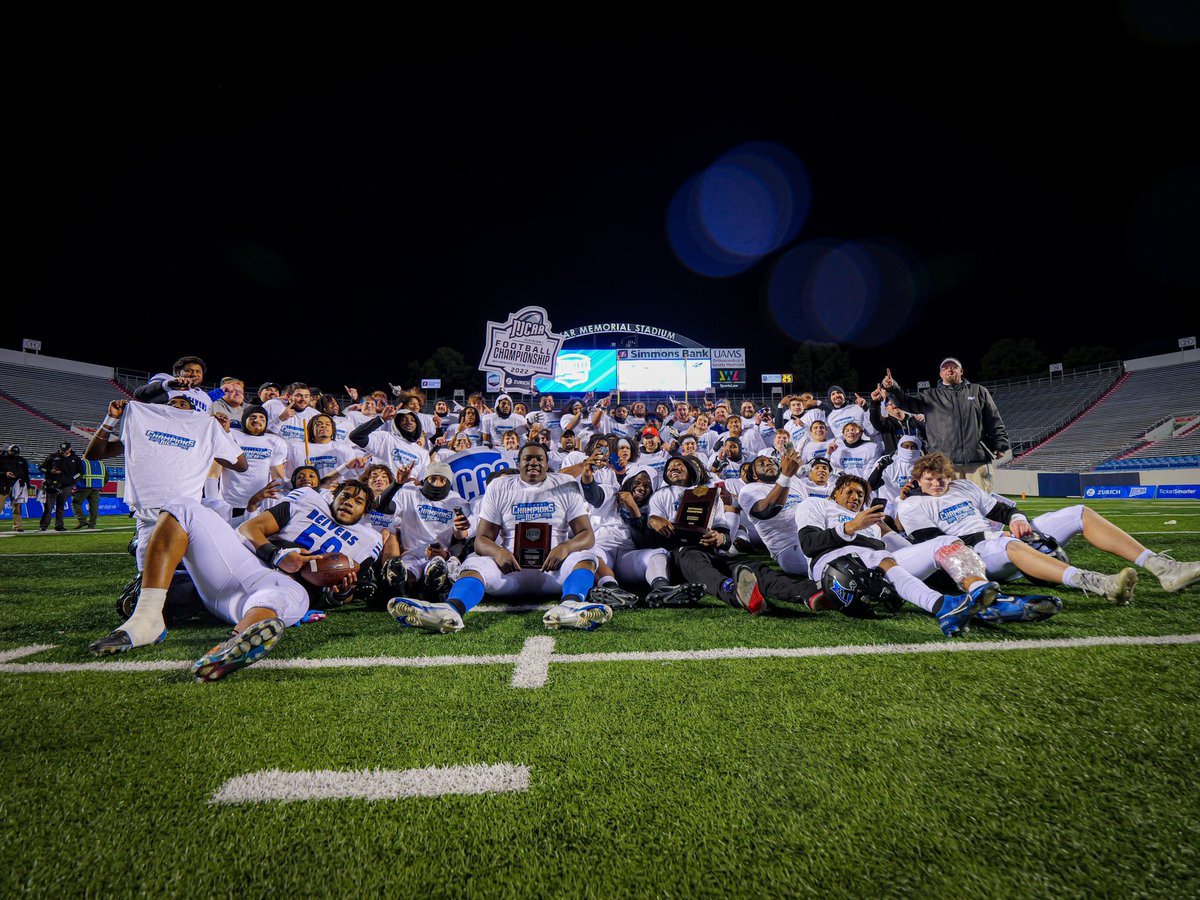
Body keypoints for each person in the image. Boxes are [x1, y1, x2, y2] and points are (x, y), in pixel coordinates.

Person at [88, 481, 381, 680]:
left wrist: (340, 595)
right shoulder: (307, 502)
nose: (349, 502)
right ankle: (147, 619)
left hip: (285, 587)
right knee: (183, 507)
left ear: (365, 512)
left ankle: (234, 644)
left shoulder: (368, 541)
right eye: (345, 496)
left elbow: (344, 594)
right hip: (245, 562)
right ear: (333, 496)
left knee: (278, 600)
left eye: (358, 501)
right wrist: (278, 554)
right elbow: (250, 528)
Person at [899, 452, 1200, 600]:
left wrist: (1016, 519)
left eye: (941, 477)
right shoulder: (913, 505)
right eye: (929, 479)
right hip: (977, 557)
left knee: (1079, 511)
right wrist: (997, 533)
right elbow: (940, 547)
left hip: (1000, 540)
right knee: (1007, 543)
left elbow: (1004, 508)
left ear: (948, 476)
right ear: (919, 479)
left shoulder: (964, 489)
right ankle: (1099, 584)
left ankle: (1162, 568)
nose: (936, 483)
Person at [387, 443, 612, 633]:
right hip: (509, 572)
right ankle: (451, 610)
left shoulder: (565, 484)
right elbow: (482, 539)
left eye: (539, 458)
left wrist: (565, 547)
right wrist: (498, 552)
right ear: (518, 462)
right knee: (474, 560)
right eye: (528, 458)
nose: (533, 462)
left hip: (554, 571)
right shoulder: (500, 485)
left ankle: (571, 606)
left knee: (586, 555)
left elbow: (587, 535)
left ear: (547, 463)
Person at [796, 473, 1000, 636]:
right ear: (835, 493)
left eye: (860, 495)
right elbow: (808, 544)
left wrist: (885, 528)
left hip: (877, 567)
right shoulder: (816, 504)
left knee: (945, 543)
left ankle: (984, 594)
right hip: (834, 570)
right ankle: (941, 606)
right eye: (850, 491)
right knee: (877, 557)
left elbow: (903, 549)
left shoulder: (871, 522)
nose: (856, 497)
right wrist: (851, 526)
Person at [84, 398, 246, 570]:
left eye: (183, 405)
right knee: (148, 580)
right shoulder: (147, 426)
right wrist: (111, 418)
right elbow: (93, 455)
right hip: (149, 518)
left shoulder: (203, 429)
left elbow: (241, 465)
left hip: (185, 517)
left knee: (191, 582)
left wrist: (224, 433)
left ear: (194, 413)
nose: (176, 406)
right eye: (171, 404)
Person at [891, 357, 1009, 492]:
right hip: (945, 464)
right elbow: (905, 402)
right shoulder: (931, 395)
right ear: (940, 374)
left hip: (977, 460)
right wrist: (892, 388)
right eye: (945, 368)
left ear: (961, 371)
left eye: (954, 367)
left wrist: (1000, 444)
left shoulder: (978, 391)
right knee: (950, 507)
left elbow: (993, 419)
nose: (949, 369)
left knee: (982, 504)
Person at [134, 356, 220, 413]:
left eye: (198, 372)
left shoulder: (206, 397)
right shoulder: (166, 379)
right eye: (189, 370)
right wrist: (167, 385)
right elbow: (140, 394)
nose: (194, 374)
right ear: (178, 372)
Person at [39, 442, 82, 532]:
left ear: (70, 449)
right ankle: (44, 525)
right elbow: (41, 468)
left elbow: (80, 473)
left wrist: (71, 481)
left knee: (61, 506)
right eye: (62, 450)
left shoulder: (76, 459)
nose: (63, 452)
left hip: (66, 486)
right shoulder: (52, 456)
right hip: (52, 485)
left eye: (65, 450)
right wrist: (50, 471)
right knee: (49, 506)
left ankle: (59, 525)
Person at [1, 445, 31, 532]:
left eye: (16, 453)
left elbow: (26, 473)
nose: (14, 454)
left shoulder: (22, 460)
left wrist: (27, 484)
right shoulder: (2, 458)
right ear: (8, 450)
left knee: (17, 507)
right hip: (4, 485)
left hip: (18, 486)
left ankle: (18, 526)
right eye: (12, 452)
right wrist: (5, 474)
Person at [73, 455, 107, 530]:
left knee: (76, 503)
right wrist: (101, 485)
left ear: (84, 455)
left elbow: (78, 475)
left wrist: (73, 485)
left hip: (84, 487)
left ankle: (82, 520)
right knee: (94, 507)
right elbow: (106, 476)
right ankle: (92, 525)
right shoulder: (101, 463)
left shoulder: (82, 462)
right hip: (96, 488)